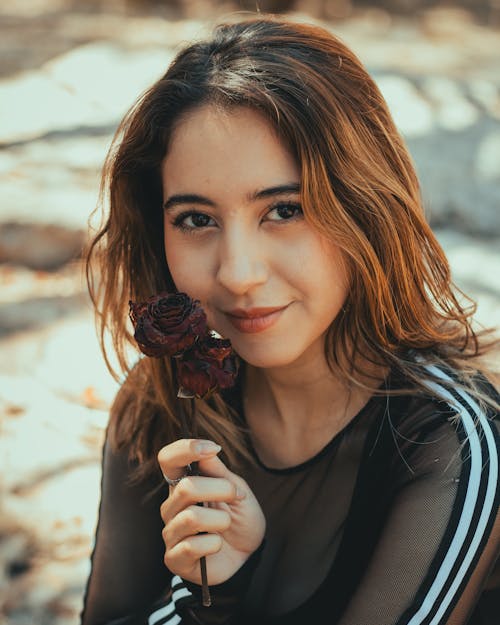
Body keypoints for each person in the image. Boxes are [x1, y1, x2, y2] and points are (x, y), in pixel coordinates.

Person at [80, 15, 500, 625]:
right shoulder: (157, 412)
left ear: (364, 209)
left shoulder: (452, 445)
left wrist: (216, 608)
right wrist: (209, 598)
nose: (239, 273)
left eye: (284, 209)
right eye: (196, 219)